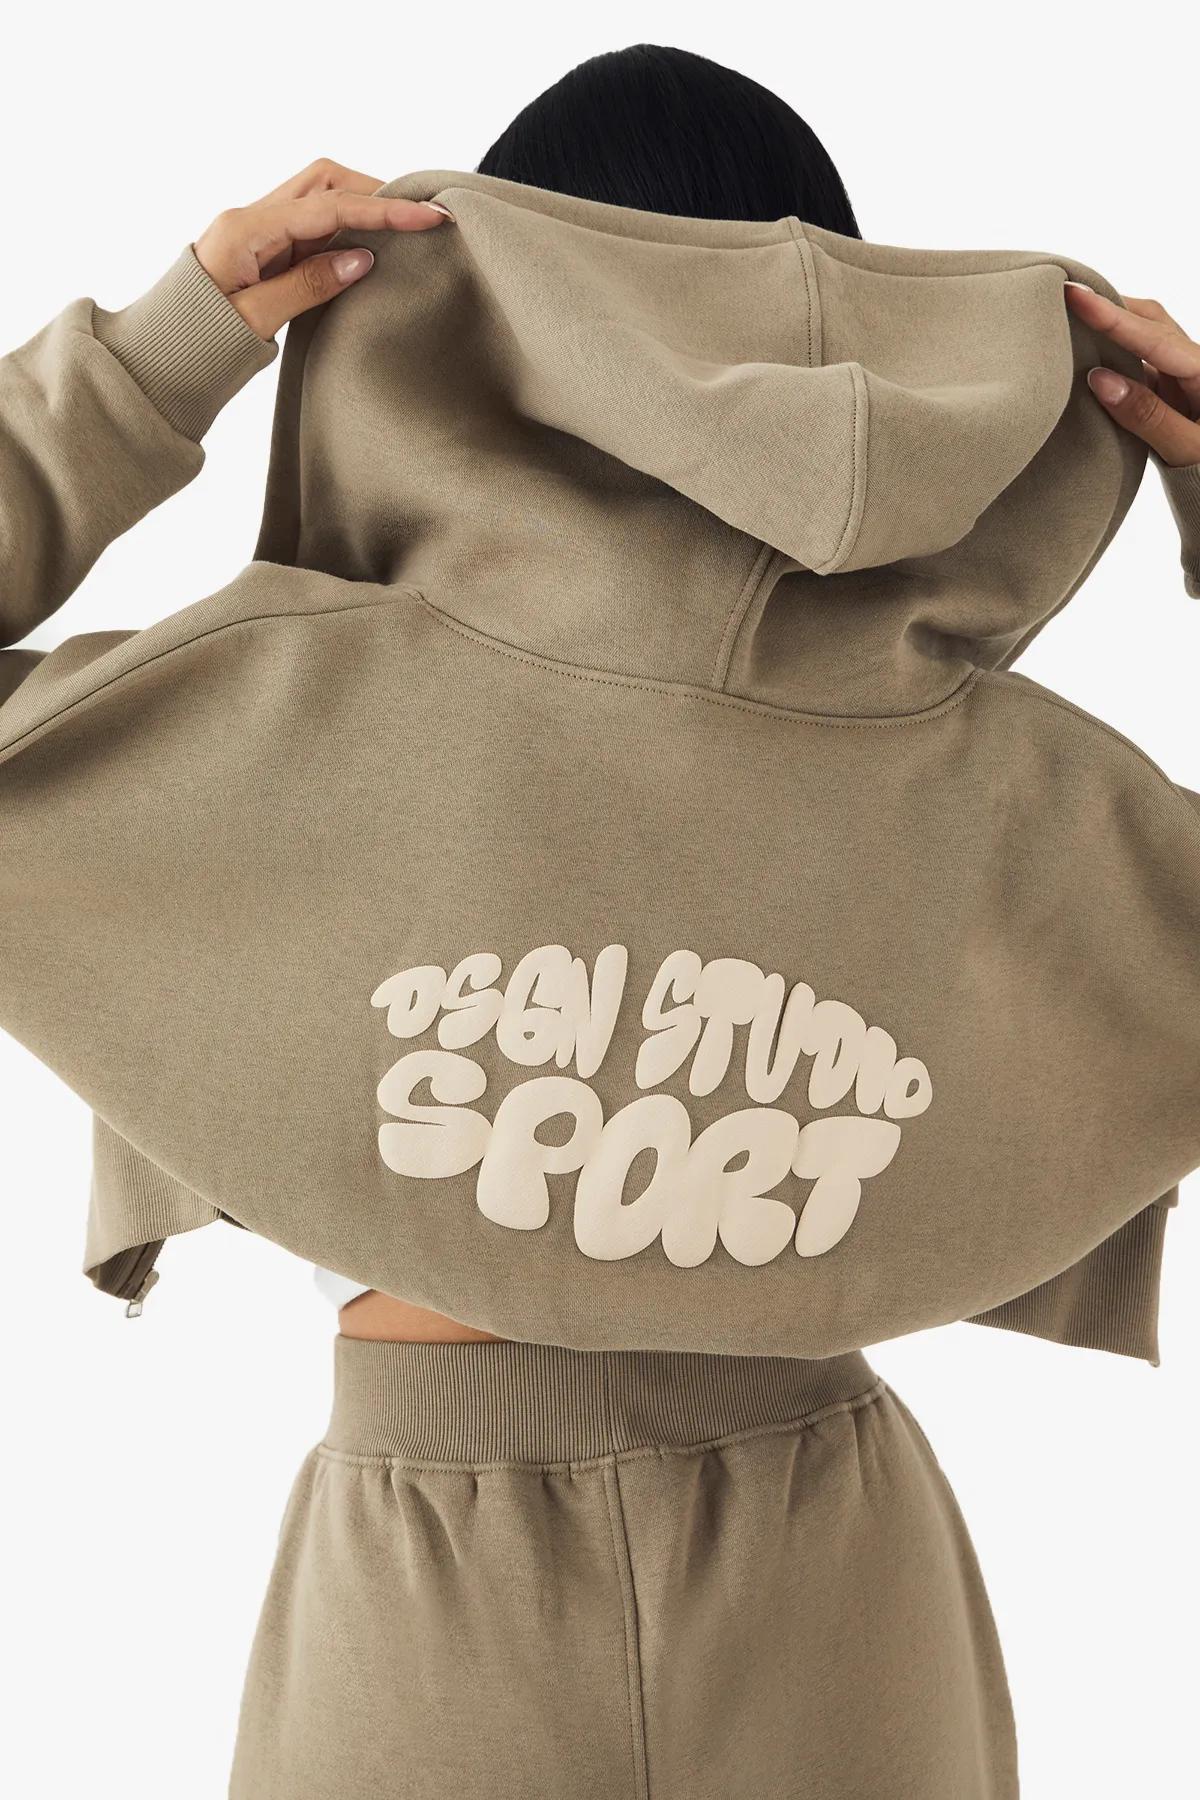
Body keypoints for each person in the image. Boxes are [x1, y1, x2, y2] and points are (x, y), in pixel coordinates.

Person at [2, 42, 1198, 1800]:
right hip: (844, 1582)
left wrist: (155, 357)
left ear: (491, 303)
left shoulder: (291, 708)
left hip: (423, 1604)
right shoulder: (1008, 783)